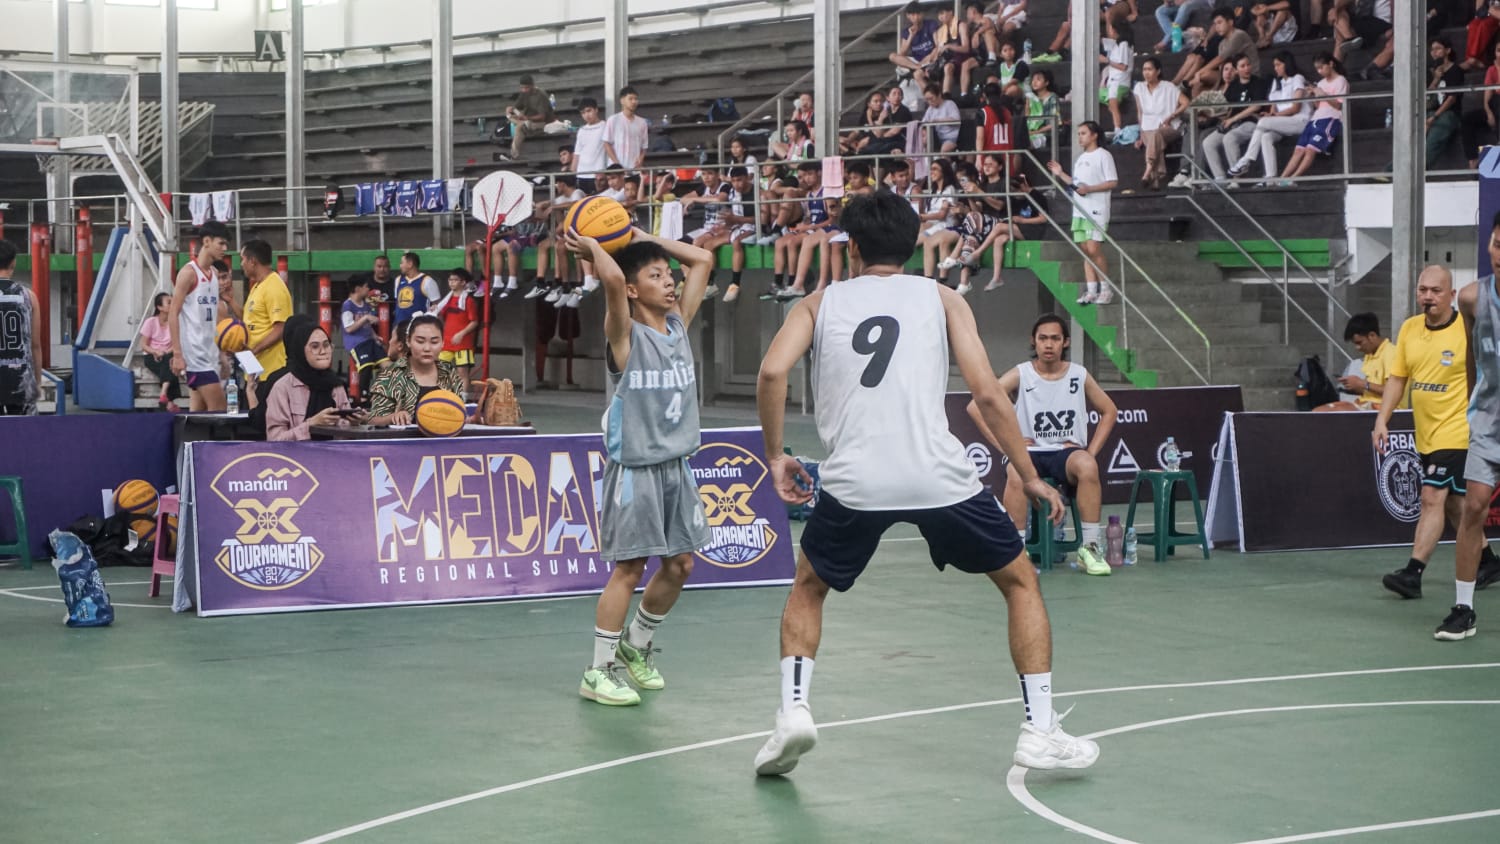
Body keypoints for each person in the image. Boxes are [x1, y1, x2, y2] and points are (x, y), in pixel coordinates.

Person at [751, 190, 1097, 777]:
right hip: (939, 475)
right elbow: (988, 394)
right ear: (914, 245)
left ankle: (793, 712)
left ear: (851, 247)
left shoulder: (818, 302)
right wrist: (1029, 474)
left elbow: (771, 371)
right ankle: (1039, 729)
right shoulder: (942, 298)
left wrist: (776, 454)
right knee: (1019, 582)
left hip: (855, 479)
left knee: (809, 587)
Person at [560, 226, 713, 707]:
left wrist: (644, 237)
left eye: (670, 276)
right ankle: (598, 670)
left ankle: (636, 645)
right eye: (655, 276)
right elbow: (609, 278)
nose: (670, 282)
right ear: (632, 289)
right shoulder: (624, 337)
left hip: (677, 466)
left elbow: (704, 260)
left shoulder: (679, 326)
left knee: (681, 564)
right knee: (629, 567)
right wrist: (600, 247)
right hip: (635, 469)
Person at [1373, 265, 1500, 606]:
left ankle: (1413, 573)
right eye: (1422, 290)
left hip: (1461, 431)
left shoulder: (1467, 327)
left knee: (1432, 496)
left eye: (1436, 290)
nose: (1427, 296)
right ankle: (1488, 562)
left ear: (1452, 295)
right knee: (1458, 506)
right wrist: (1381, 420)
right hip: (1426, 435)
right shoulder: (1410, 329)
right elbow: (1398, 379)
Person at [969, 314, 1118, 576]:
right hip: (1027, 452)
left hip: (1064, 453)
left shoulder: (1078, 375)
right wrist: (1006, 446)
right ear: (1034, 342)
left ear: (1065, 342)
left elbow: (1109, 411)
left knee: (1087, 465)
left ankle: (1090, 548)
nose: (1049, 344)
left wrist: (1089, 452)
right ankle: (1017, 552)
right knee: (1016, 472)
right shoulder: (1021, 374)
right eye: (1043, 339)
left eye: (1055, 339)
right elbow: (976, 407)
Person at [1448, 214, 1500, 639]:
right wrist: (1471, 408)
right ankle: (1463, 609)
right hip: (1488, 420)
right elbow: (1470, 359)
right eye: (1499, 245)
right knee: (1474, 507)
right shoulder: (1470, 298)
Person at [1048, 122, 1117, 305]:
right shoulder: (1080, 158)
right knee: (1085, 251)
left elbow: (1112, 182)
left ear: (1094, 135)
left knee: (1094, 248)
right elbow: (1076, 184)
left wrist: (1091, 189)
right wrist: (1061, 174)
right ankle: (1092, 290)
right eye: (1078, 133)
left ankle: (1106, 289)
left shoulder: (1104, 155)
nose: (1080, 137)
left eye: (1083, 133)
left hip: (1096, 209)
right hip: (1079, 210)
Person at [265, 315, 358, 442]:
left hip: (335, 459)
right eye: (315, 347)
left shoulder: (336, 385)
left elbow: (346, 438)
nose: (323, 351)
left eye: (326, 345)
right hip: (297, 460)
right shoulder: (283, 387)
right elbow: (275, 440)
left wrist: (355, 422)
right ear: (301, 351)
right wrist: (310, 425)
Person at [169, 222, 229, 411]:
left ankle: (185, 442)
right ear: (206, 242)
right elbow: (173, 313)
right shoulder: (188, 273)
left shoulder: (213, 273)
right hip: (195, 355)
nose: (225, 249)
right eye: (221, 243)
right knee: (220, 411)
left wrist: (221, 354)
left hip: (210, 352)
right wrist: (177, 354)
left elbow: (211, 322)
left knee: (199, 414)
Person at [367, 314, 467, 426]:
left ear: (443, 343)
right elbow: (372, 419)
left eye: (434, 342)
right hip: (403, 442)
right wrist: (393, 417)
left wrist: (473, 419)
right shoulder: (391, 374)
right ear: (408, 341)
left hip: (445, 441)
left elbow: (458, 414)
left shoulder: (449, 373)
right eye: (420, 341)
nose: (427, 348)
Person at [1228, 51, 1310, 186]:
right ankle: (1270, 177)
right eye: (1274, 65)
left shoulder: (1297, 78)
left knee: (1263, 122)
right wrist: (1271, 114)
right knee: (1266, 136)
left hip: (1300, 120)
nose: (1275, 68)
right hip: (1283, 123)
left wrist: (1273, 117)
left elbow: (1295, 108)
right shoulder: (1276, 82)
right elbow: (1274, 106)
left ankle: (1246, 159)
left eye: (1278, 65)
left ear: (1287, 64)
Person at [1279, 53, 1347, 185]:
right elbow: (1318, 105)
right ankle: (1281, 178)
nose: (1319, 71)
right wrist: (1314, 96)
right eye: (1317, 69)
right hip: (1316, 118)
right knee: (1298, 149)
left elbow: (1339, 105)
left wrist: (1323, 94)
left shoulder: (1341, 80)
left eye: (1321, 67)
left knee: (1311, 149)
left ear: (1331, 64)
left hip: (1331, 118)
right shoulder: (1321, 82)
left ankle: (1293, 179)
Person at [1134, 56, 1190, 190]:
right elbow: (1140, 112)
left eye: (1150, 69)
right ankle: (1155, 180)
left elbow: (1186, 102)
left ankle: (1148, 172)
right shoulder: (1139, 88)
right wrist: (1140, 134)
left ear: (1158, 71)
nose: (1146, 72)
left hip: (1169, 126)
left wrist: (1172, 116)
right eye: (1144, 69)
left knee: (1156, 135)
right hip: (1147, 127)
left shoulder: (1168, 87)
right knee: (1153, 137)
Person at [240, 238, 292, 378]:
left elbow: (281, 328)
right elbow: (250, 319)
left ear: (252, 261)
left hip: (271, 371)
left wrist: (254, 350)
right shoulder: (258, 286)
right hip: (255, 370)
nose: (241, 264)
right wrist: (230, 300)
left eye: (243, 259)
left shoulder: (274, 287)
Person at [0, 239, 41, 416]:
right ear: (13, 262)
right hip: (20, 380)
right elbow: (35, 345)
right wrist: (37, 382)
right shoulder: (28, 296)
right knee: (24, 439)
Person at [1337, 312, 1402, 410]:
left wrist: (1361, 384)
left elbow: (1393, 391)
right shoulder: (1370, 355)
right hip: (1367, 404)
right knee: (1322, 410)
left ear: (1372, 335)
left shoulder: (1391, 353)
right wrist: (1353, 386)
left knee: (1324, 412)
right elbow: (1372, 390)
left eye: (1359, 343)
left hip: (1385, 408)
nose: (1357, 348)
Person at [432, 267, 481, 390]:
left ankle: (463, 400)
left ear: (463, 282)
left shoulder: (469, 301)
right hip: (447, 342)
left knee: (462, 373)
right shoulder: (446, 301)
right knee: (440, 371)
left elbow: (474, 322)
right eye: (450, 280)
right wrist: (435, 310)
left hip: (463, 344)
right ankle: (443, 397)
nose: (451, 282)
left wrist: (461, 334)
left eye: (455, 280)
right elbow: (441, 317)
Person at [340, 275, 385, 402]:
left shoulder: (365, 305)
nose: (368, 289)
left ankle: (386, 394)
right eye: (366, 286)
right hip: (356, 343)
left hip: (368, 340)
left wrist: (375, 337)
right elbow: (349, 328)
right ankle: (364, 396)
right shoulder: (347, 306)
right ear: (358, 288)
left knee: (387, 364)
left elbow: (368, 326)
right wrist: (365, 318)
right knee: (366, 365)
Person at [138, 292, 181, 410]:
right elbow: (143, 345)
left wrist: (166, 352)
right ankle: (169, 401)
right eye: (169, 302)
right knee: (170, 366)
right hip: (152, 355)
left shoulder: (175, 322)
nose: (172, 305)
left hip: (168, 354)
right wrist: (155, 352)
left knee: (170, 360)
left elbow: (177, 343)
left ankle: (163, 394)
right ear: (159, 307)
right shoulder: (150, 322)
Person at [503, 74, 555, 161]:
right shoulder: (523, 93)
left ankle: (513, 156)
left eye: (526, 88)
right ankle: (523, 125)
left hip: (542, 122)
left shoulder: (540, 95)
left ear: (532, 85)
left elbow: (542, 117)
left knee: (520, 127)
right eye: (522, 88)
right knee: (510, 117)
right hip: (527, 119)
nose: (524, 90)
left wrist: (527, 118)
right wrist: (510, 109)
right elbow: (517, 107)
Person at [602, 86, 649, 172]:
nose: (634, 102)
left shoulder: (642, 122)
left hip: (634, 169)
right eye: (630, 99)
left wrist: (640, 161)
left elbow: (644, 146)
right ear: (622, 101)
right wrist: (617, 164)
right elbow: (606, 143)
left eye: (636, 99)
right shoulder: (613, 120)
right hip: (616, 170)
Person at [393, 251, 441, 326]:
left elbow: (437, 305)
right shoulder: (398, 280)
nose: (400, 266)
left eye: (402, 263)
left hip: (419, 327)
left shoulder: (427, 281)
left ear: (410, 264)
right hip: (399, 326)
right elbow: (397, 304)